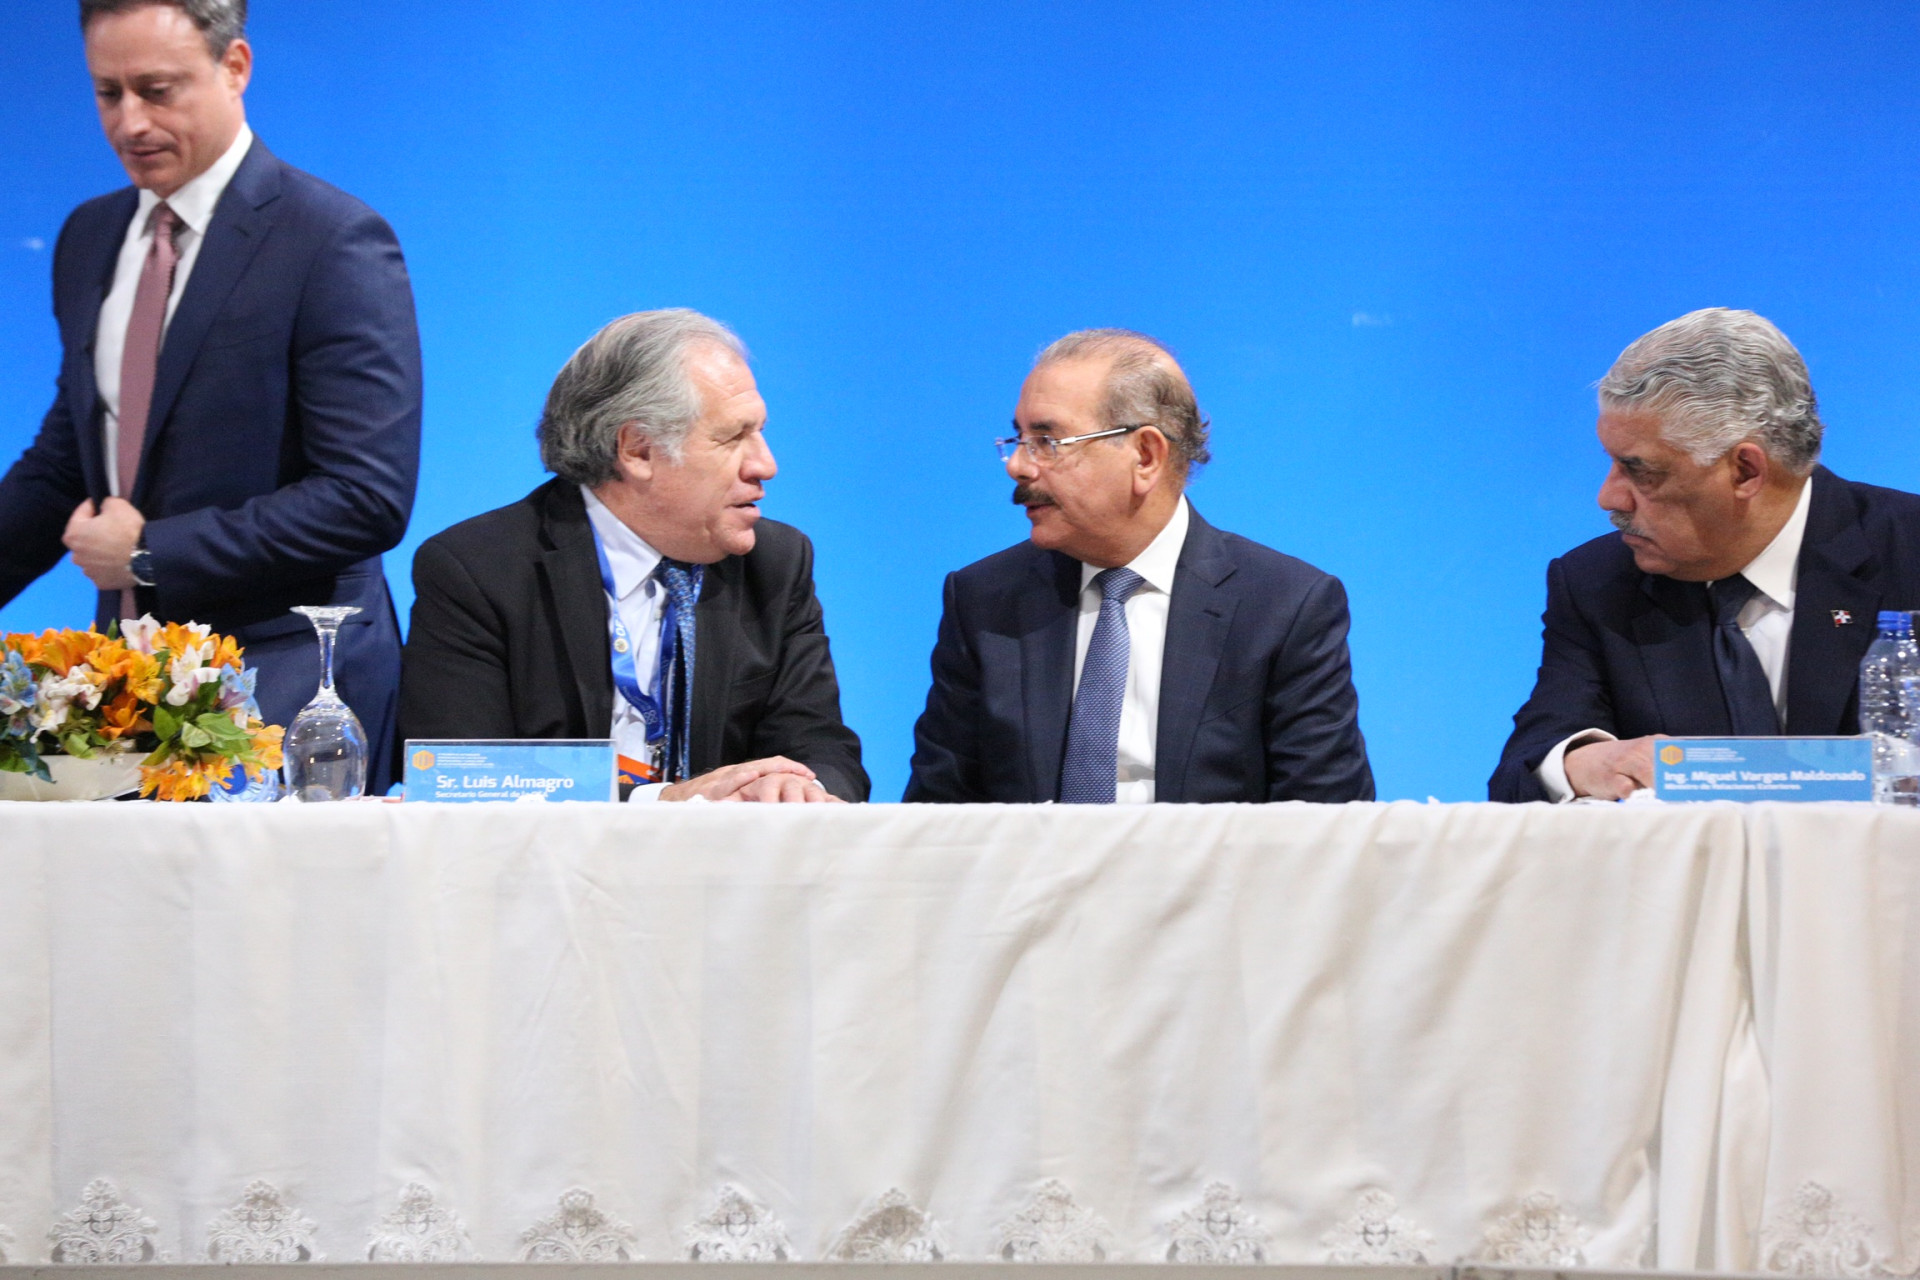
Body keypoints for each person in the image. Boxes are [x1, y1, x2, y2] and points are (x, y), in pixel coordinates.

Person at [0, 0, 421, 788]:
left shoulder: (331, 240)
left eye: (157, 90)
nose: (130, 122)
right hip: (121, 692)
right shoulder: (90, 237)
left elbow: (365, 497)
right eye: (108, 93)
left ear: (235, 67)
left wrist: (147, 555)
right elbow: (73, 459)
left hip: (290, 689)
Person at [400, 309, 867, 803]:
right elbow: (461, 782)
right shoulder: (478, 570)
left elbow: (823, 746)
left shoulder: (775, 563)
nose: (765, 465)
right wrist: (659, 805)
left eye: (760, 432)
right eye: (733, 437)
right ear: (638, 450)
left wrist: (800, 788)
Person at [905, 328, 1374, 803]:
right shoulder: (984, 599)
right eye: (1019, 439)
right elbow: (936, 814)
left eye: (1047, 441)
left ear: (1146, 456)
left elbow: (1325, 819)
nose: (1018, 466)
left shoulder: (1284, 606)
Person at [1490, 307, 1920, 802]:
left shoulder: (1907, 550)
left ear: (1745, 471)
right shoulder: (1597, 583)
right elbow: (1520, 776)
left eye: (1640, 471)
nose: (1608, 498)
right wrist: (1580, 762)